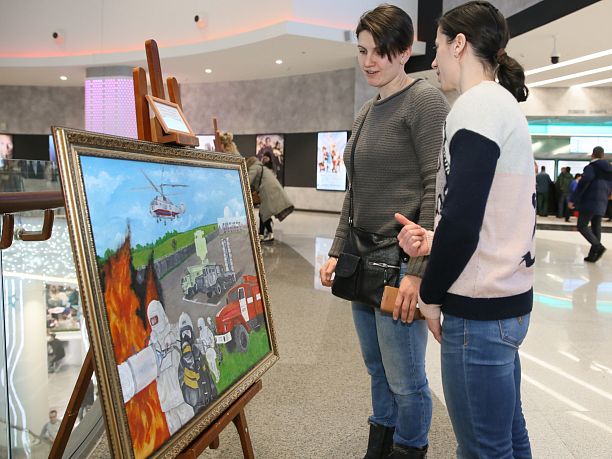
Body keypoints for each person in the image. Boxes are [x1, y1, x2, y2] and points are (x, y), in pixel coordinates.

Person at [396, 2, 534, 457]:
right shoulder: (501, 104)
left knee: (481, 449)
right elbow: (490, 213)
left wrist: (431, 297)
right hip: (506, 302)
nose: (433, 61)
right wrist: (435, 239)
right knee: (508, 438)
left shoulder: (476, 106)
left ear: (459, 44)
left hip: (479, 312)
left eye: (437, 47)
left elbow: (463, 222)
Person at [319, 5, 449, 458]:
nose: (369, 61)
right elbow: (354, 192)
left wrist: (418, 271)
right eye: (362, 51)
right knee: (376, 368)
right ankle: (381, 442)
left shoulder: (425, 102)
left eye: (380, 51)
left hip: (399, 265)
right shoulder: (365, 111)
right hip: (361, 260)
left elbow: (436, 189)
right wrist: (337, 250)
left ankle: (410, 448)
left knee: (405, 378)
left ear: (404, 51)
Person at [569, 146, 612, 262]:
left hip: (590, 200)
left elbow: (584, 182)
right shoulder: (609, 169)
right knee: (596, 226)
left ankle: (598, 246)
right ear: (603, 156)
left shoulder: (591, 167)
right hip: (603, 201)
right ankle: (593, 255)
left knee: (582, 225)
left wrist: (573, 199)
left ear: (593, 155)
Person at [245, 156, 294, 242]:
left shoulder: (254, 167)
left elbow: (247, 181)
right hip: (271, 191)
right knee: (265, 213)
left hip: (268, 192)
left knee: (263, 213)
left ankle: (262, 235)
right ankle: (268, 234)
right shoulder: (262, 167)